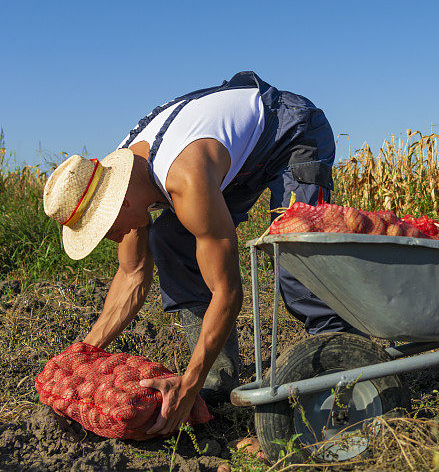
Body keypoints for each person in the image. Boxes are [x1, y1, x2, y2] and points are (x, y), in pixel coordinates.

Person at [42, 71, 357, 436]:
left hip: (289, 133)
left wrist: (187, 382)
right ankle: (218, 385)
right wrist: (80, 360)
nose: (112, 237)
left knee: (294, 256)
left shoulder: (185, 178)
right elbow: (132, 276)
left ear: (120, 203)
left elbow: (229, 292)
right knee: (170, 243)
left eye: (106, 229)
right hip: (229, 160)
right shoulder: (124, 179)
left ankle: (342, 371)